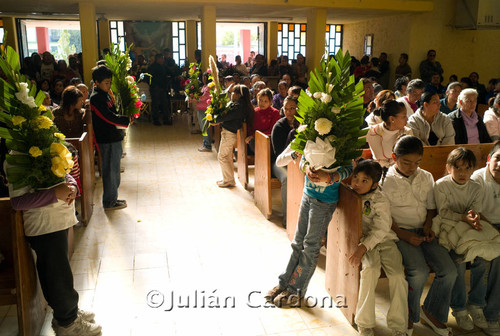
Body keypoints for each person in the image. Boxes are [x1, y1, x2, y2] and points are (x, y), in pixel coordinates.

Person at [8, 167, 102, 335]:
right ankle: (68, 323)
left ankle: (66, 314)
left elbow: (63, 172)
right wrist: (54, 194)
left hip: (58, 221)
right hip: (44, 226)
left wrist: (72, 186)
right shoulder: (17, 159)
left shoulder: (47, 148)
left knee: (60, 273)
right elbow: (17, 202)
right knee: (57, 276)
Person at [383, 135, 457, 336]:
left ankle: (431, 311)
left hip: (424, 232)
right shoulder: (386, 181)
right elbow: (384, 217)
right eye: (406, 162)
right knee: (419, 271)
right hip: (399, 233)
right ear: (394, 157)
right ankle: (408, 314)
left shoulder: (425, 176)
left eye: (416, 163)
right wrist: (404, 235)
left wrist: (428, 225)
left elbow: (431, 208)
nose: (411, 167)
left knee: (449, 271)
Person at [265, 153, 352, 308]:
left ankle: (296, 291)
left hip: (324, 202)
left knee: (310, 247)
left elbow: (349, 168)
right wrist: (306, 168)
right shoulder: (312, 132)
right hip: (308, 195)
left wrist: (331, 177)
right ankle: (283, 283)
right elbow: (304, 159)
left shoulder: (342, 138)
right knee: (297, 243)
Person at [433, 148, 498, 332]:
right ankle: (459, 308)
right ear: (448, 167)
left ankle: (476, 305)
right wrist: (463, 217)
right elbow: (443, 212)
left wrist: (473, 216)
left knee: (482, 258)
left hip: (468, 228)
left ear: (472, 169)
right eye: (457, 168)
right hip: (448, 227)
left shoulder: (476, 187)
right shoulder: (441, 185)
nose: (462, 173)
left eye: (467, 168)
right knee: (459, 263)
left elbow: (475, 209)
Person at [348, 159, 408, 336]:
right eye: (356, 178)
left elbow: (382, 228)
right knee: (370, 270)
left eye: (364, 181)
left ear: (375, 184)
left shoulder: (380, 200)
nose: (357, 183)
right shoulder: (350, 194)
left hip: (384, 240)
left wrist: (362, 248)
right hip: (365, 242)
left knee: (398, 276)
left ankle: (398, 325)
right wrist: (362, 247)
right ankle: (365, 323)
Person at [90, 65, 131, 210]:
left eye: (109, 82)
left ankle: (113, 198)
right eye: (106, 82)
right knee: (110, 171)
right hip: (107, 138)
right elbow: (107, 117)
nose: (109, 85)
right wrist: (125, 120)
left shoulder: (105, 94)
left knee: (114, 169)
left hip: (114, 136)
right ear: (97, 82)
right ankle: (109, 201)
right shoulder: (96, 98)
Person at [471, 141, 500, 336]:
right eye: (498, 159)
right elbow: (475, 211)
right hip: (480, 225)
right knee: (484, 256)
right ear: (489, 159)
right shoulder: (478, 178)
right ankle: (477, 304)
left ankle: (492, 312)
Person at [214, 84, 253, 188]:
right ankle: (228, 179)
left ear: (239, 95)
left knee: (222, 156)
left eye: (233, 92)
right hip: (229, 133)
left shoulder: (238, 107)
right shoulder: (240, 105)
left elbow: (227, 116)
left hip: (230, 134)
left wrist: (215, 120)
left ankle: (228, 180)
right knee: (227, 156)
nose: (231, 94)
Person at [271, 96, 299, 227]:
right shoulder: (279, 126)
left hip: (296, 162)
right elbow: (279, 154)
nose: (289, 112)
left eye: (292, 108)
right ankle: (287, 219)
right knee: (287, 178)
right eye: (286, 109)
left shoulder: (301, 124)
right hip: (279, 163)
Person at [366, 100, 413, 168]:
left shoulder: (407, 132)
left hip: (399, 172)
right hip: (377, 172)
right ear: (392, 119)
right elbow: (352, 140)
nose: (407, 119)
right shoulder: (372, 131)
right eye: (404, 116)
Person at [246, 88, 280, 153]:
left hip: (268, 140)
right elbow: (249, 127)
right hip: (254, 141)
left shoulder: (275, 112)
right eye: (260, 100)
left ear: (270, 102)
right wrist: (251, 136)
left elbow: (272, 130)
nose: (262, 103)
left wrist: (255, 136)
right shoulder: (254, 111)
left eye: (265, 101)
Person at [147, 54, 171, 126]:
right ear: (158, 59)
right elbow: (150, 78)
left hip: (162, 87)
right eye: (162, 59)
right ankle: (155, 120)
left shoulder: (163, 66)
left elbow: (169, 72)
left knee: (164, 104)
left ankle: (165, 119)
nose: (163, 60)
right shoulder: (152, 67)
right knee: (155, 104)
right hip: (155, 88)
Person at [196, 72, 213, 152]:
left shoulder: (209, 88)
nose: (204, 79)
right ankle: (205, 143)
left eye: (205, 77)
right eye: (203, 77)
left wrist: (194, 98)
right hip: (200, 109)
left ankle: (207, 145)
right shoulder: (204, 86)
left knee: (205, 128)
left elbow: (203, 98)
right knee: (203, 127)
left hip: (204, 109)